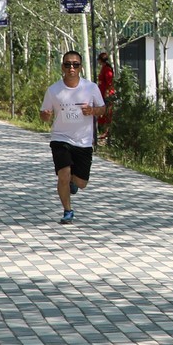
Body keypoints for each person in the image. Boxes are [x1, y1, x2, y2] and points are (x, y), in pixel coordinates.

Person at [40, 50, 108, 224]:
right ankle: (68, 211)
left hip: (83, 141)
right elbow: (44, 114)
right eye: (68, 64)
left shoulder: (91, 88)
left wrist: (92, 110)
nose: (71, 68)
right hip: (60, 138)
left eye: (75, 65)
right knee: (63, 174)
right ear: (62, 67)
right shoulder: (53, 90)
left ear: (80, 67)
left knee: (82, 183)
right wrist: (45, 115)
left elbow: (103, 109)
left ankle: (73, 182)